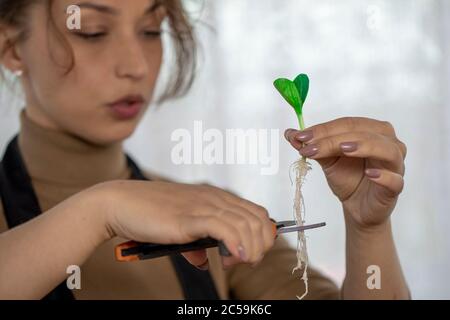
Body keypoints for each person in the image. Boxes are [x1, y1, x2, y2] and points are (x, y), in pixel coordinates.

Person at [0, 0, 410, 300]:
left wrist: (368, 231)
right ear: (12, 47)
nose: (136, 66)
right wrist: (101, 209)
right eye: (91, 30)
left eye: (151, 30)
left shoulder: (207, 217)